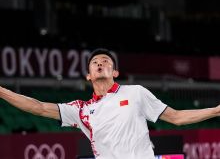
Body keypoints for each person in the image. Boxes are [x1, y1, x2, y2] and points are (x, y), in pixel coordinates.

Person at [0, 48, 219, 159]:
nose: (100, 63)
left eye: (106, 61)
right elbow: (38, 107)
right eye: (95, 62)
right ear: (88, 76)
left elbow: (177, 117)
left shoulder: (136, 93)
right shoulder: (81, 110)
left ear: (114, 72)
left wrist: (216, 110)